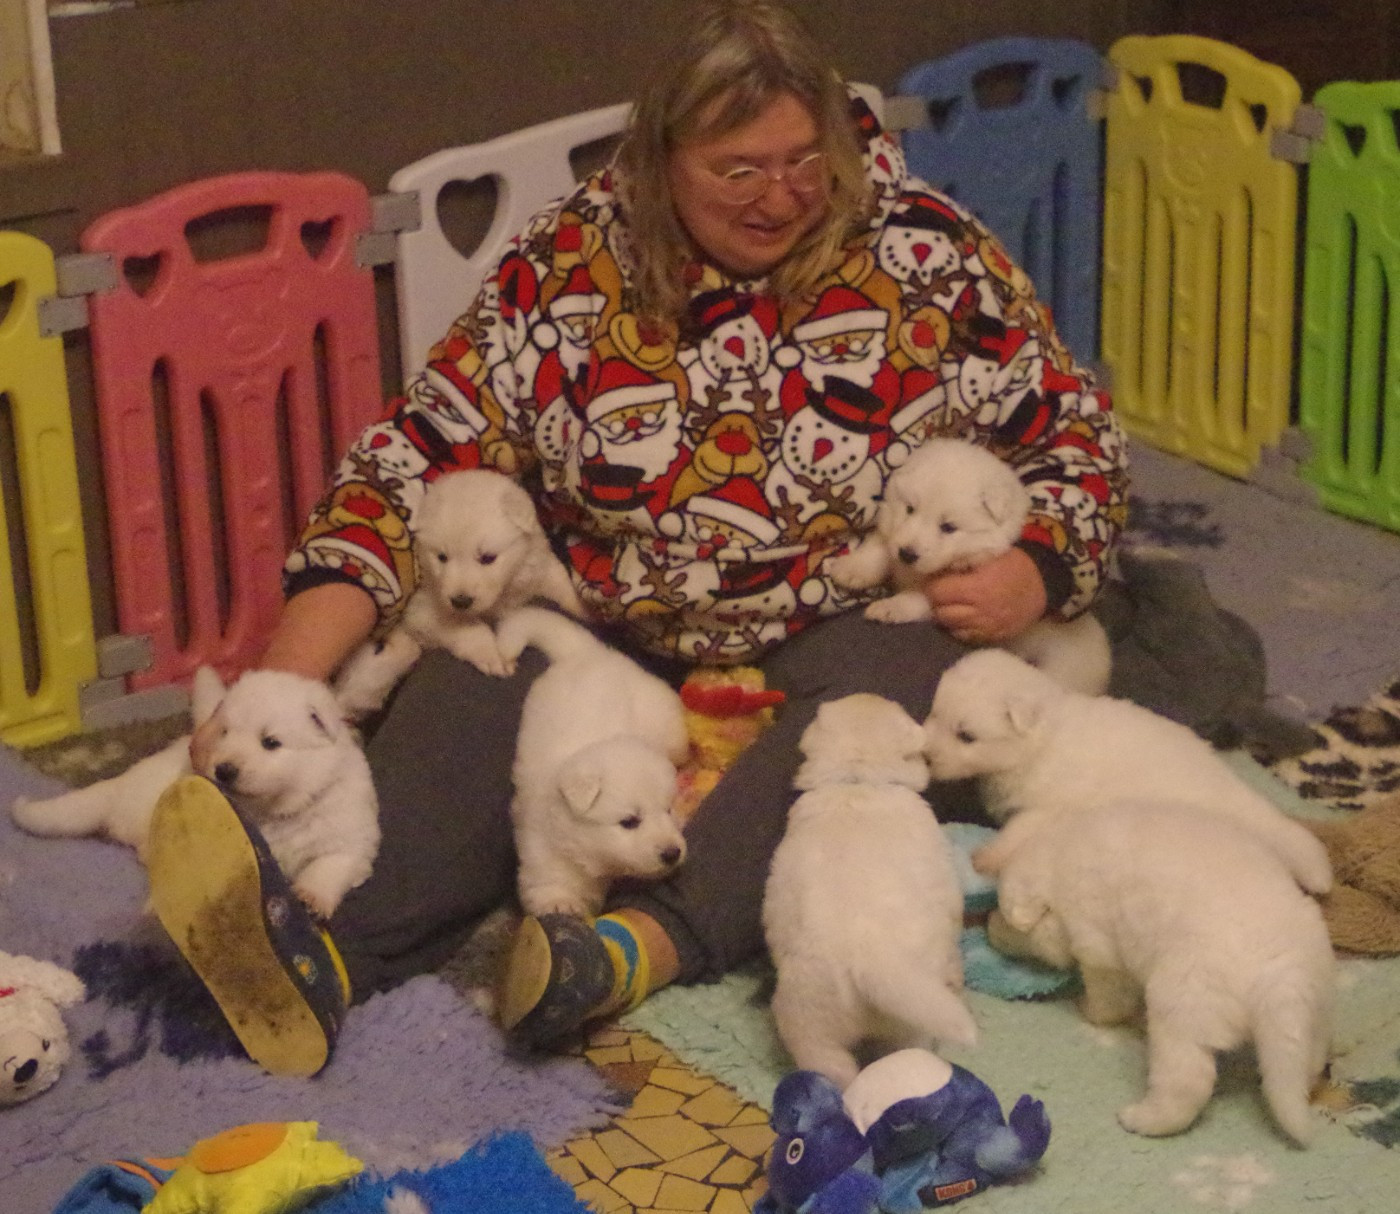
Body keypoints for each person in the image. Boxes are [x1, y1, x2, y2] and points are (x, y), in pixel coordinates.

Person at [147, 0, 1127, 1075]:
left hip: (842, 610)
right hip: (600, 614)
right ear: (663, 162)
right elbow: (407, 462)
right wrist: (282, 684)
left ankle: (624, 954)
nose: (781, 196)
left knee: (888, 724)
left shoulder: (928, 251)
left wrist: (1037, 567)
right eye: (738, 171)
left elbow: (1075, 435)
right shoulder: (565, 262)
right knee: (462, 699)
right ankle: (326, 951)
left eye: (804, 160)